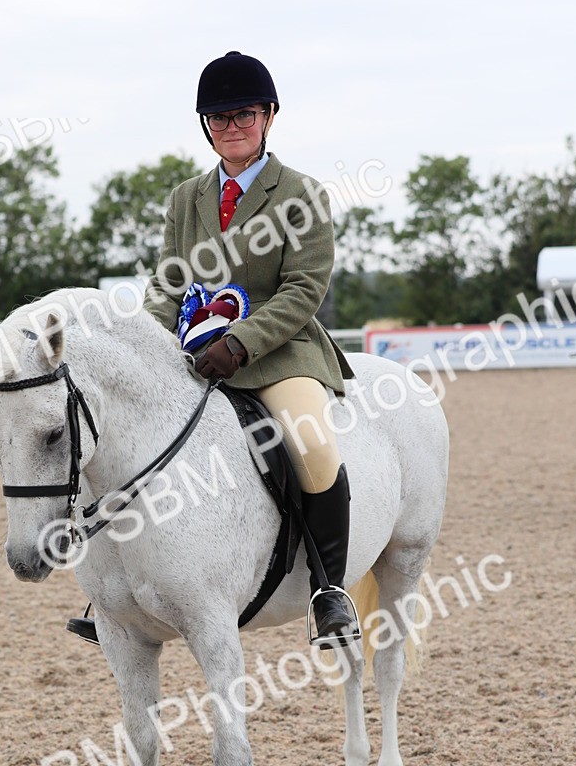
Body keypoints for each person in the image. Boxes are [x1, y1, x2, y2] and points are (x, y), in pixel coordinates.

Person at [68, 50, 358, 647]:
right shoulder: (185, 198)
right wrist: (146, 347)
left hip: (280, 352)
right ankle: (114, 592)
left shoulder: (301, 194)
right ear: (206, 125)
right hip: (193, 351)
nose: (232, 127)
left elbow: (304, 288)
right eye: (220, 118)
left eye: (244, 115)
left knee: (312, 440)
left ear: (269, 117)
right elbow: (169, 285)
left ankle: (329, 590)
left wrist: (242, 343)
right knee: (124, 438)